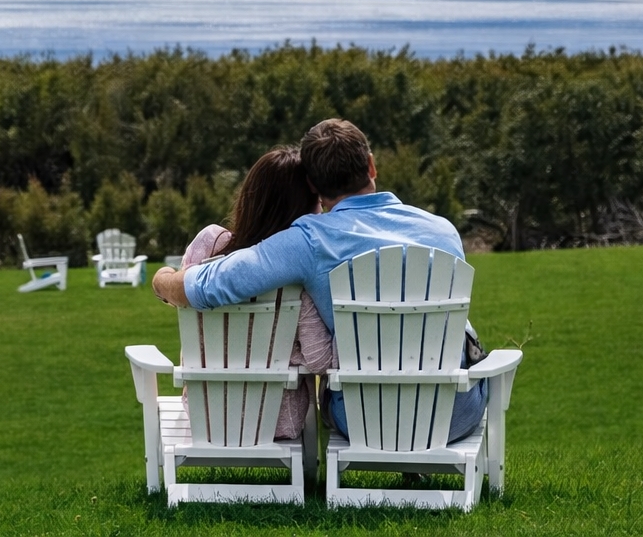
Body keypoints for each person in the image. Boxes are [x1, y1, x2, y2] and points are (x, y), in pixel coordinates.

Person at [153, 118, 487, 443]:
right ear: (371, 166)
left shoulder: (308, 242)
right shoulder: (442, 230)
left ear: (313, 186)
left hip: (364, 420)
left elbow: (211, 284)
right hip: (454, 414)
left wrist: (163, 282)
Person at [178, 146, 334, 439]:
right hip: (277, 421)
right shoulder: (298, 272)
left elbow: (181, 302)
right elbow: (319, 359)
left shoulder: (209, 244)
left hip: (206, 413)